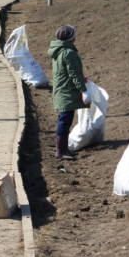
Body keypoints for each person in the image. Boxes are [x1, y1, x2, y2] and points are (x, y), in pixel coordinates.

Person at [48, 24, 91, 161]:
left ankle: (64, 149)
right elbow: (73, 74)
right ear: (72, 38)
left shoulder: (59, 51)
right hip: (66, 92)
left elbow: (66, 72)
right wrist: (84, 91)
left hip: (61, 90)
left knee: (64, 120)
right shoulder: (69, 53)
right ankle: (60, 151)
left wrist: (81, 78)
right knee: (65, 121)